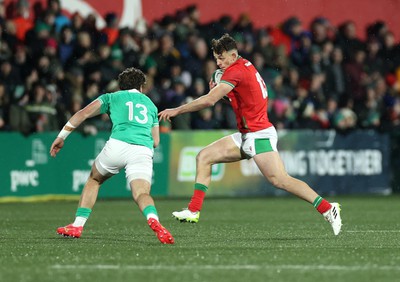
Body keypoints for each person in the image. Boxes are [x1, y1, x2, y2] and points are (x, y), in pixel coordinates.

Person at [159, 34, 342, 235]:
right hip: (247, 133)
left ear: (233, 55)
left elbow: (209, 101)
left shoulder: (235, 71)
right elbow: (244, 97)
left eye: (221, 58)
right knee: (204, 157)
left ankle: (327, 208)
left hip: (259, 134)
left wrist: (177, 110)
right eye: (216, 59)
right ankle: (193, 210)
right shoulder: (244, 65)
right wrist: (226, 94)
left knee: (280, 180)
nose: (218, 63)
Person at [50, 67, 174, 244]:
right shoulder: (151, 105)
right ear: (141, 86)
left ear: (121, 86)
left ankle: (77, 225)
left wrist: (61, 137)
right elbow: (155, 141)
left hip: (118, 144)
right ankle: (154, 220)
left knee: (94, 179)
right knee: (141, 193)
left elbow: (82, 114)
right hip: (142, 150)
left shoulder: (112, 97)